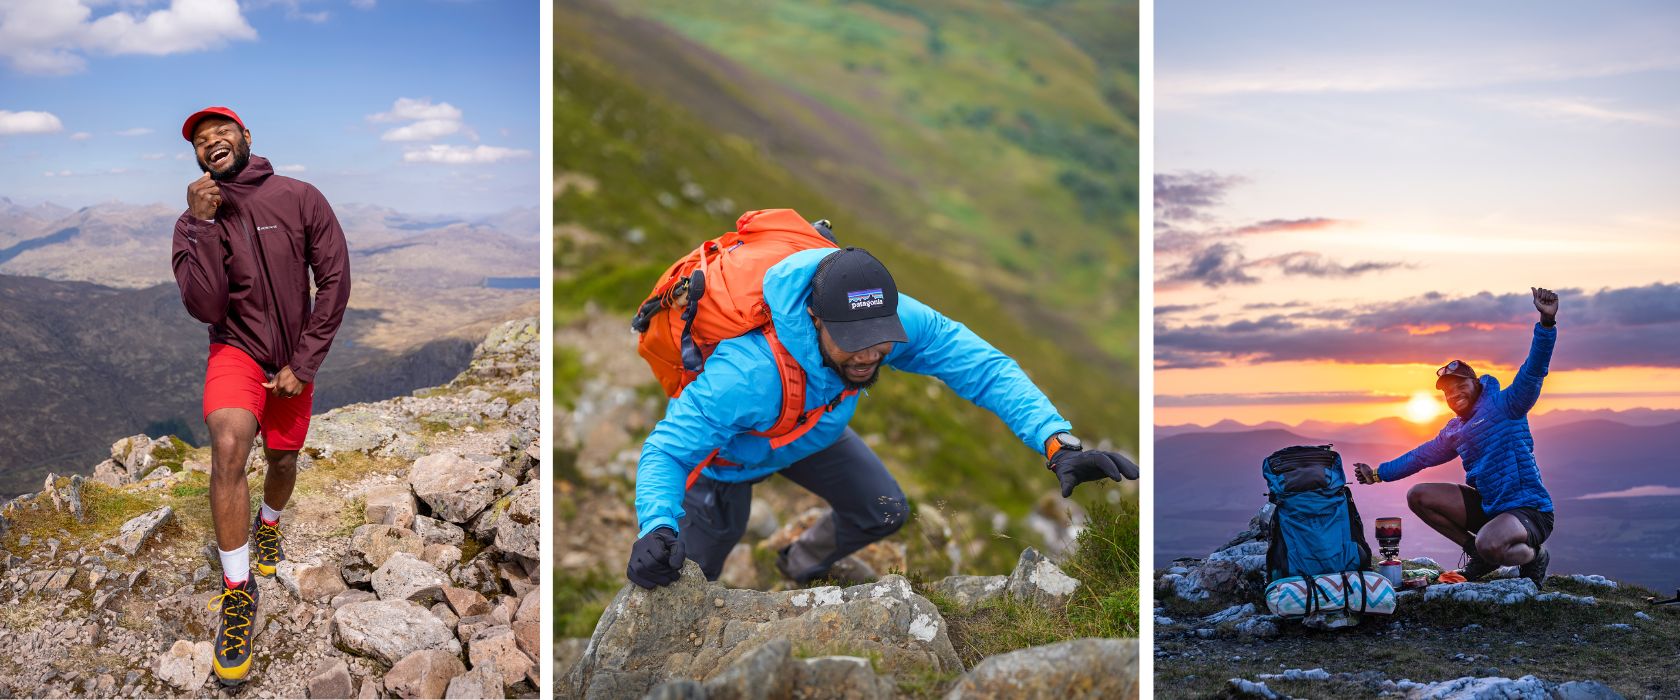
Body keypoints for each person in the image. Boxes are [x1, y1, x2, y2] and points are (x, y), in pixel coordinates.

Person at [625, 246, 1137, 589]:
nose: (869, 355)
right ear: (815, 321)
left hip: (812, 433)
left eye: (879, 339)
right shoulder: (747, 375)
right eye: (852, 344)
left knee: (885, 509)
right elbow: (668, 450)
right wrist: (657, 527)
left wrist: (1055, 441)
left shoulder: (884, 320)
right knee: (683, 573)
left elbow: (984, 368)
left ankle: (798, 566)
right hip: (726, 463)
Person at [171, 106, 351, 684]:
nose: (211, 142)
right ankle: (237, 590)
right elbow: (204, 306)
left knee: (282, 458)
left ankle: (269, 521)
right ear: (197, 158)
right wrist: (201, 226)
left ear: (246, 137)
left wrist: (304, 361)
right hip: (235, 349)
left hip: (294, 354)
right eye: (201, 141)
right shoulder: (192, 221)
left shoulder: (300, 197)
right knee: (228, 446)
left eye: (221, 131)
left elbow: (335, 279)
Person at [1354, 287, 1560, 587]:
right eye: (1447, 392)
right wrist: (1376, 474)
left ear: (1475, 383)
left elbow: (1534, 370)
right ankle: (1477, 554)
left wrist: (1546, 323)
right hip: (1491, 508)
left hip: (1530, 511)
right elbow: (1419, 456)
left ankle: (1534, 556)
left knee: (1490, 542)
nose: (1453, 394)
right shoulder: (1455, 431)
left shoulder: (1508, 404)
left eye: (1459, 385)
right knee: (1419, 496)